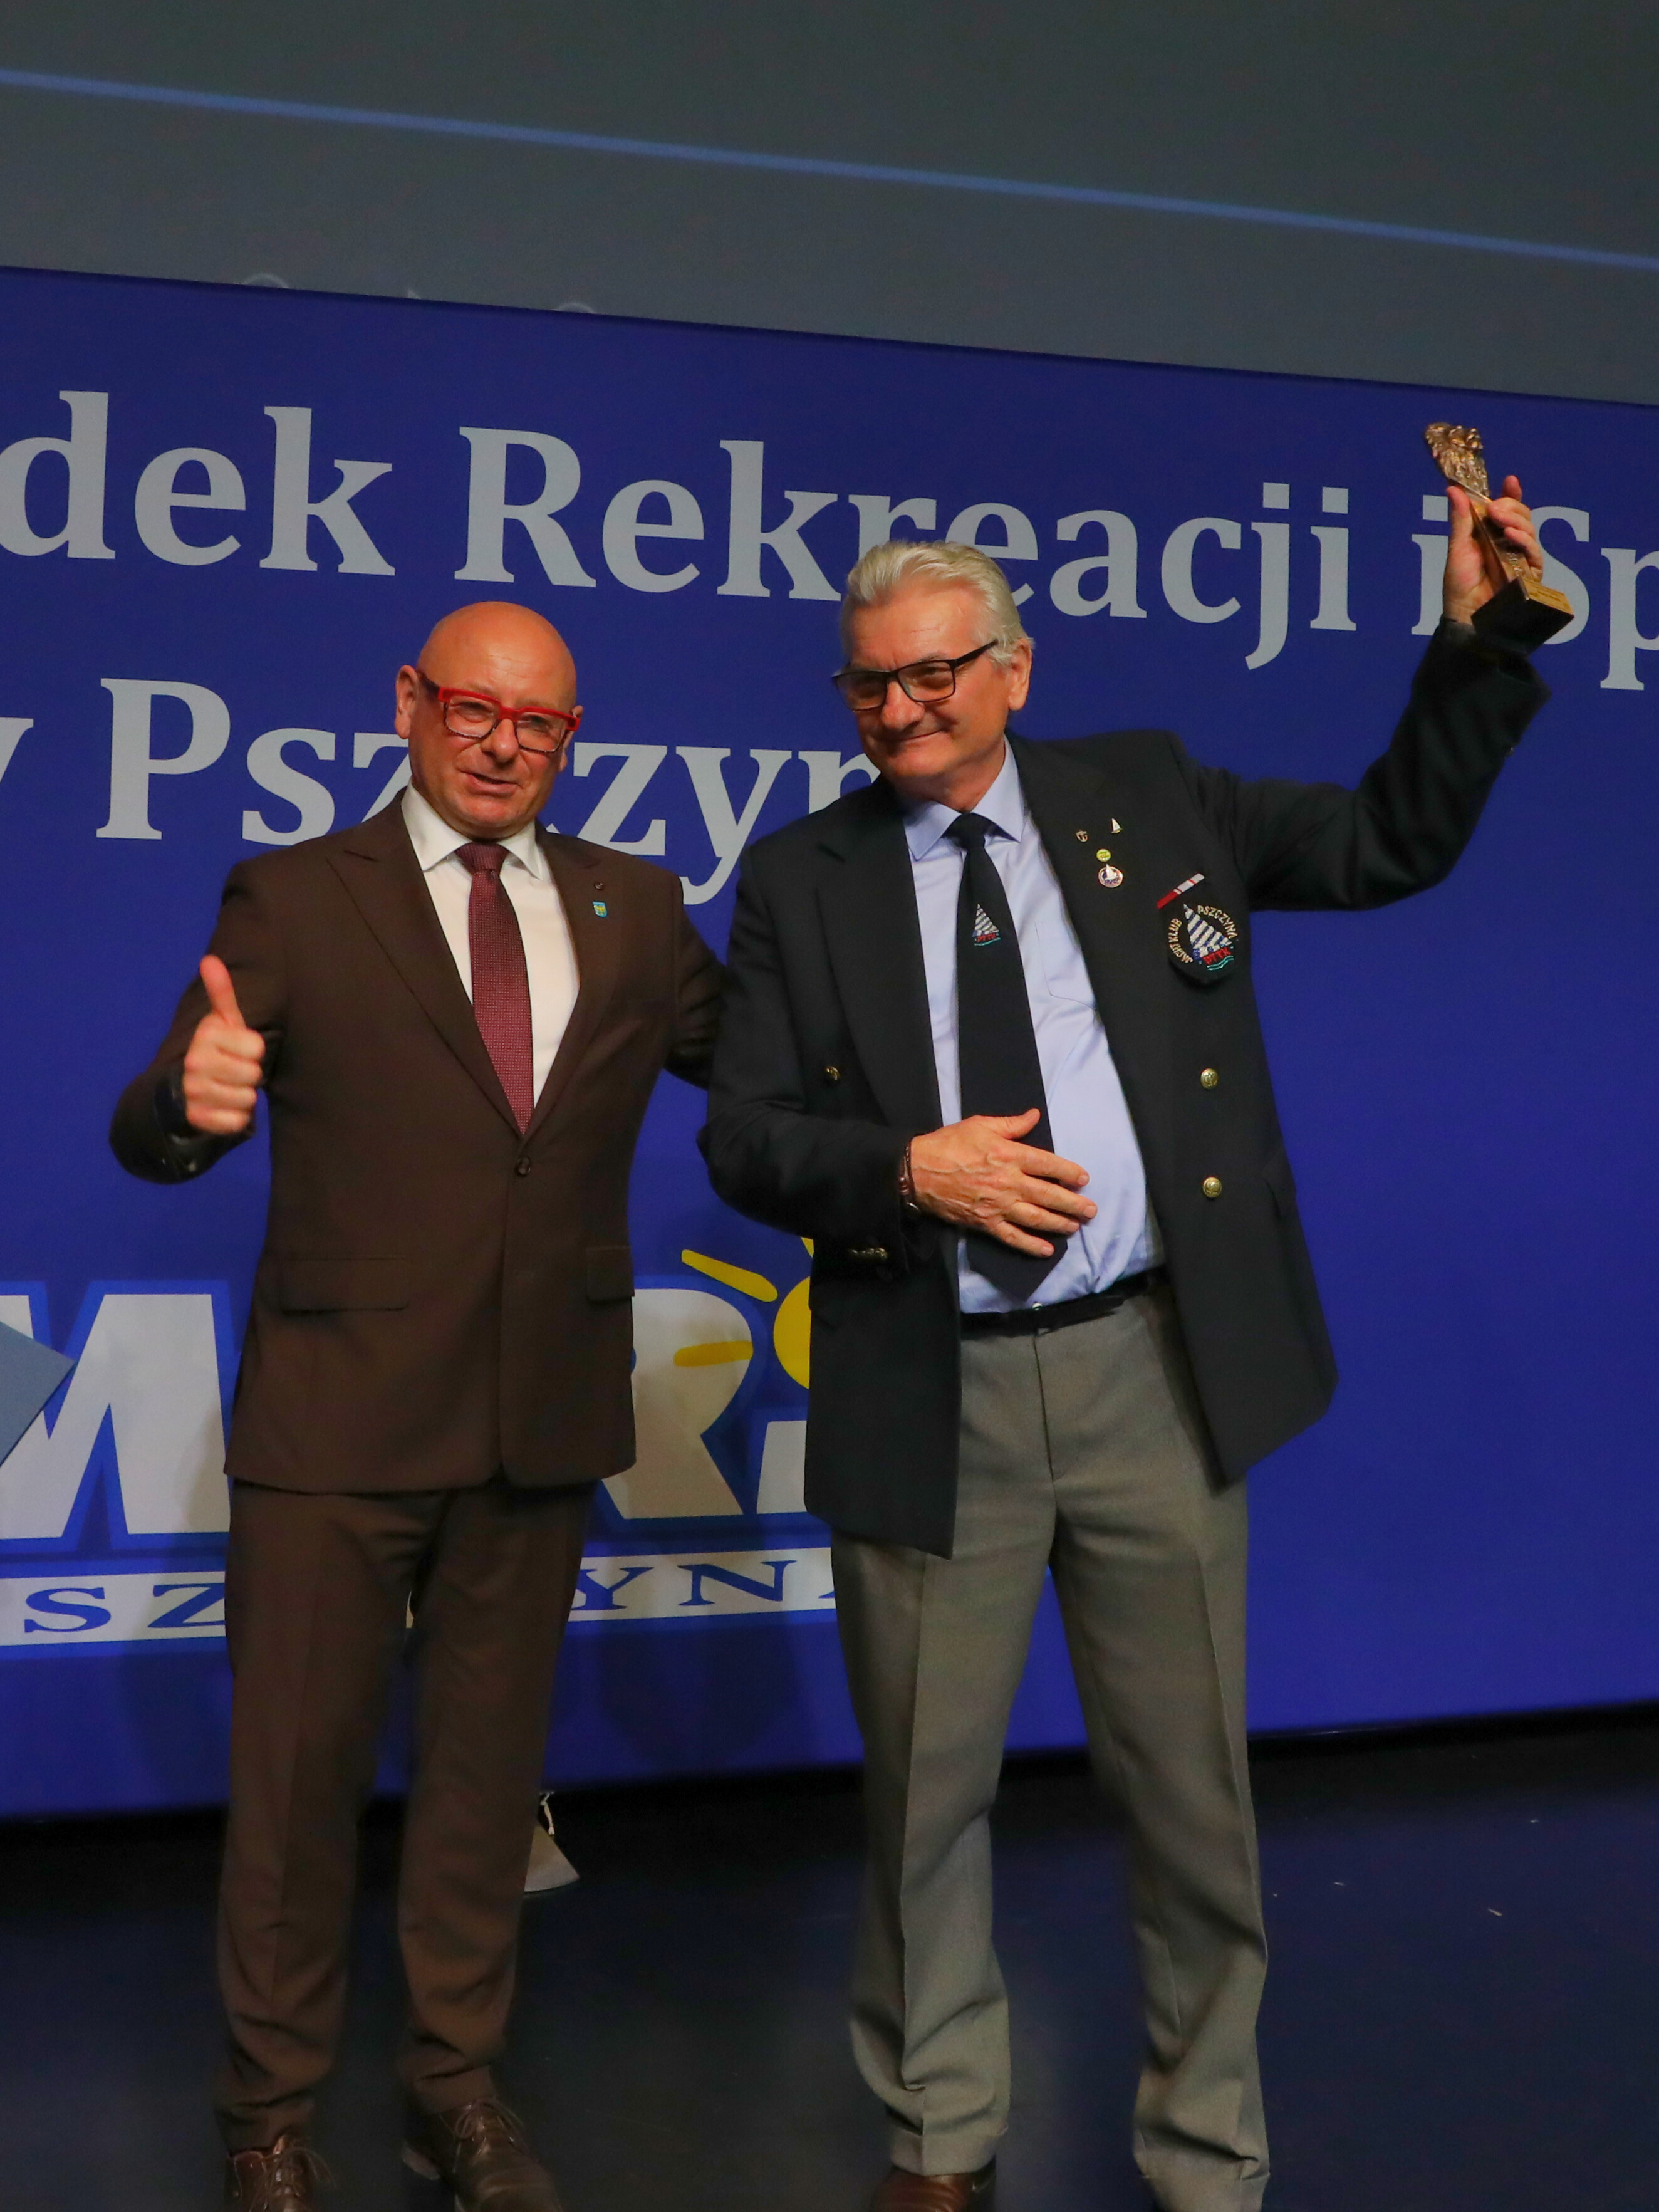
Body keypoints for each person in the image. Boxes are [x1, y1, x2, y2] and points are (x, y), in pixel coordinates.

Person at [701, 490, 1549, 2212]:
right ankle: (939, 2135)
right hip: (930, 1381)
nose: (900, 709)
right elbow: (744, 1136)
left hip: (1150, 1375)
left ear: (1015, 668)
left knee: (1190, 1805)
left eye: (935, 675)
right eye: (869, 685)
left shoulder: (1149, 798)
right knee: (925, 1802)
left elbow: (1388, 843)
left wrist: (1476, 645)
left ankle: (1206, 2148)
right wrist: (908, 1168)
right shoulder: (803, 877)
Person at [112, 601, 722, 2212]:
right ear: (410, 703)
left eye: (541, 723)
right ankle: (267, 2116)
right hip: (337, 1425)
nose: (505, 745)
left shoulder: (637, 904)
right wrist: (188, 1105)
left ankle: (453, 2090)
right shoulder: (299, 895)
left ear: (571, 737)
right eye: (474, 710)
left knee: (480, 1793)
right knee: (295, 1795)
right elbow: (160, 1110)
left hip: (538, 1419)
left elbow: (774, 1070)